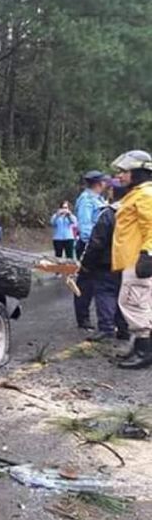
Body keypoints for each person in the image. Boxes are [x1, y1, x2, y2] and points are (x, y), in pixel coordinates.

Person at [109, 150, 152, 369]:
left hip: (138, 260)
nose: (120, 176)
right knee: (135, 303)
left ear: (138, 172)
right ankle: (138, 348)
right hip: (131, 259)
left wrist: (148, 255)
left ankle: (144, 353)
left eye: (124, 172)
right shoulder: (136, 193)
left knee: (134, 304)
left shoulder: (146, 195)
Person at [77, 184, 130, 342]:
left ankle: (106, 329)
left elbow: (96, 242)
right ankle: (124, 328)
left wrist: (86, 264)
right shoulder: (133, 211)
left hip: (106, 262)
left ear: (114, 193)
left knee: (105, 294)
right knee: (124, 294)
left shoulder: (108, 214)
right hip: (129, 261)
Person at [74, 170, 108, 258]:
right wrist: (92, 245)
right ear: (99, 184)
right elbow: (85, 223)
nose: (106, 184)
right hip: (90, 246)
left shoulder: (99, 199)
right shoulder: (86, 199)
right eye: (104, 181)